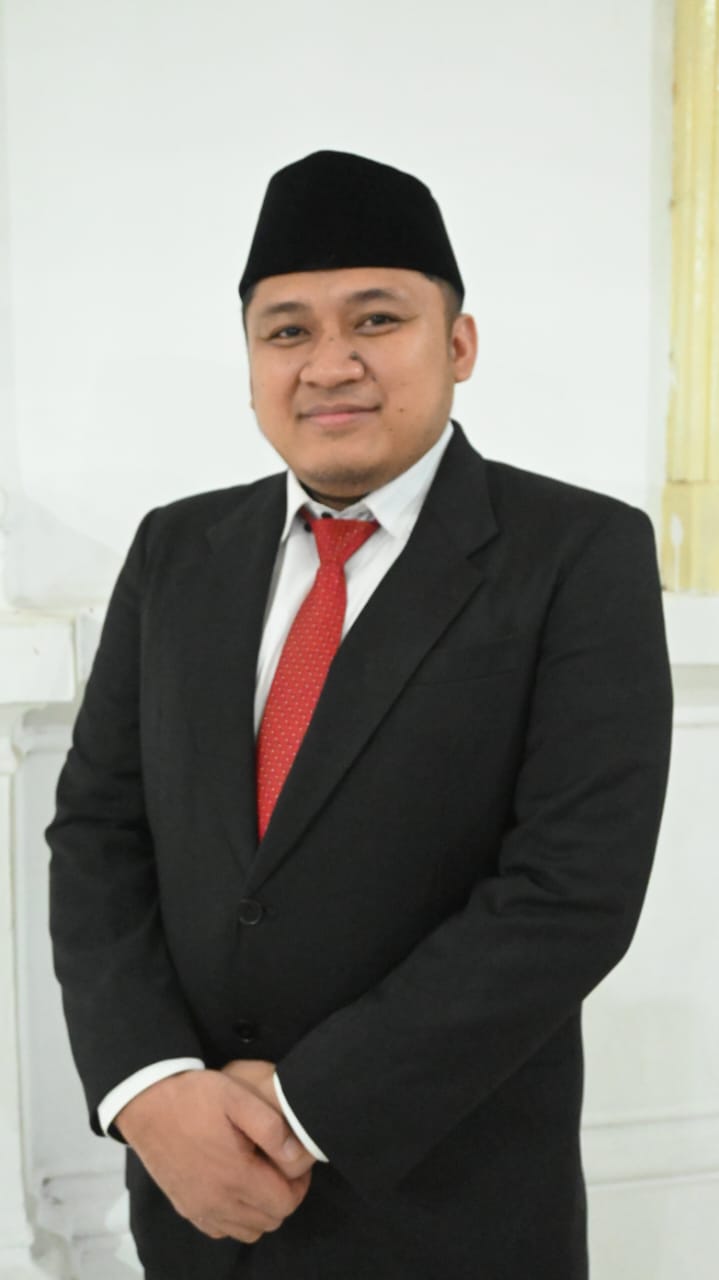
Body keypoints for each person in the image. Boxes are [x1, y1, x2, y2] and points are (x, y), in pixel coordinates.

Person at [46, 149, 673, 1280]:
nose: (329, 363)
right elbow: (97, 829)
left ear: (458, 344)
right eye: (286, 330)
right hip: (193, 1197)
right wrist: (150, 1089)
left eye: (375, 319)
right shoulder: (176, 549)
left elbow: (569, 891)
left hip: (445, 1208)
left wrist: (301, 1106)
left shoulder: (578, 554)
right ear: (250, 361)